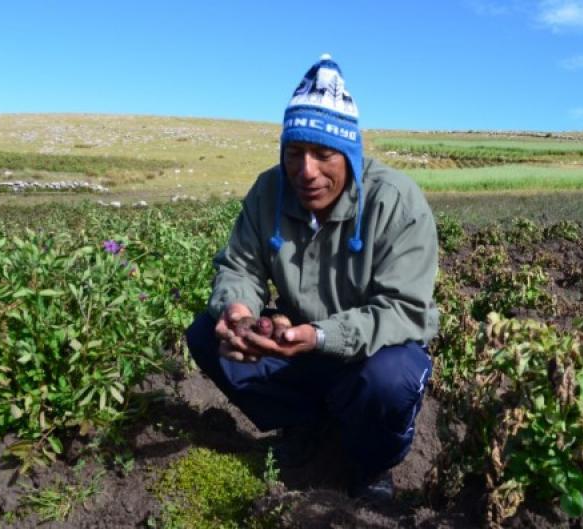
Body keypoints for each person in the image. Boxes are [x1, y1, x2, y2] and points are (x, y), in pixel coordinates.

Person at [186, 54, 439, 501]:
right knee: (208, 335)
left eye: (324, 154)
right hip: (299, 350)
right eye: (294, 153)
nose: (307, 172)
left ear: (350, 153)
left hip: (367, 356)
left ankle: (372, 463)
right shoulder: (269, 191)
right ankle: (305, 427)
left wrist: (320, 336)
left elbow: (406, 312)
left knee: (392, 378)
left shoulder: (396, 203)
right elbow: (239, 266)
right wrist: (238, 309)